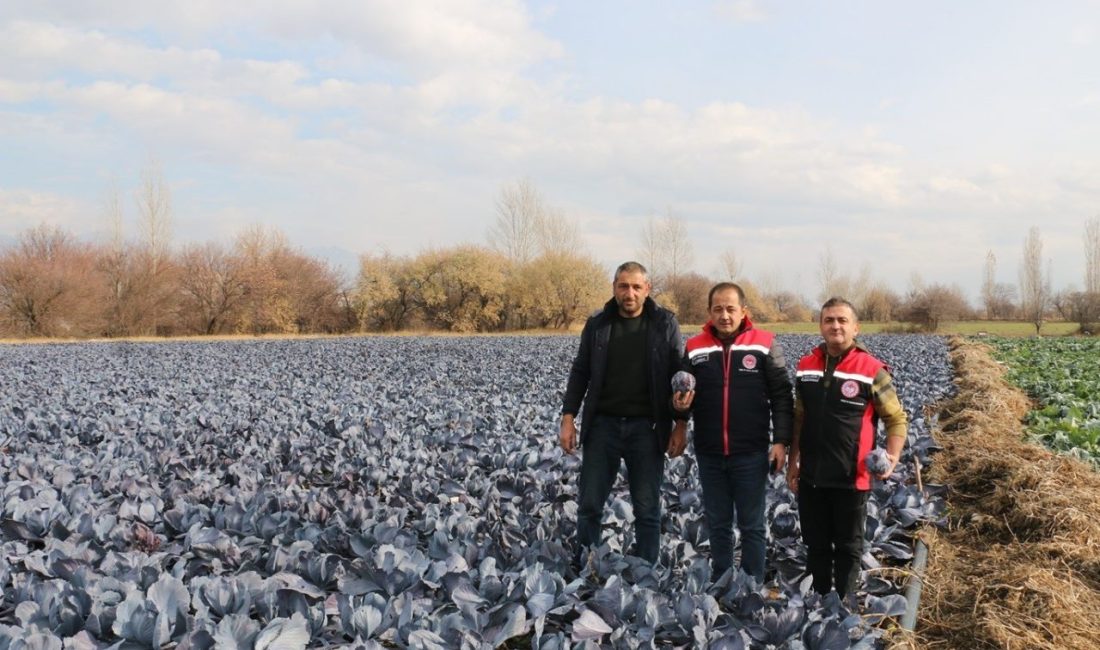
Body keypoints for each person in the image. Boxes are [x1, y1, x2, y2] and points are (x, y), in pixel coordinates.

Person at [560, 261, 688, 565]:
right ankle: (586, 564)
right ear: (614, 288)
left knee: (646, 506)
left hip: (648, 427)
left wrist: (681, 423)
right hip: (602, 425)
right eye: (623, 286)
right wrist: (568, 417)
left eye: (635, 286)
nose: (629, 293)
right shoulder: (598, 324)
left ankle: (646, 570)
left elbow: (678, 374)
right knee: (590, 503)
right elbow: (581, 371)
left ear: (647, 289)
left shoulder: (664, 324)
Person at [786, 297, 907, 599]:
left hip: (852, 478)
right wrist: (792, 464)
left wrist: (891, 459)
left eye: (842, 320)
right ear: (821, 326)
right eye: (829, 320)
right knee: (815, 544)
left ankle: (845, 606)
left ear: (856, 327)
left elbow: (896, 419)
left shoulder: (872, 369)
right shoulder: (805, 366)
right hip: (812, 475)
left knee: (849, 546)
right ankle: (820, 602)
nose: (835, 326)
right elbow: (799, 419)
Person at [672, 282, 793, 582]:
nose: (724, 315)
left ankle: (752, 583)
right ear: (709, 312)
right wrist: (679, 409)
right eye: (718, 309)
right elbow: (683, 394)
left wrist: (781, 441)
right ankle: (722, 580)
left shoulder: (764, 344)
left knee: (752, 524)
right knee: (718, 522)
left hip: (750, 450)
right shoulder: (695, 347)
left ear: (743, 311)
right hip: (710, 450)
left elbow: (781, 396)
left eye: (730, 309)